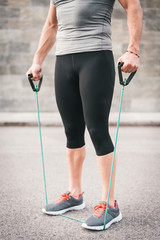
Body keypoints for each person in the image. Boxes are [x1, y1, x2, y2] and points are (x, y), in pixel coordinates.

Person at [26, 0, 143, 231]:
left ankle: (110, 205)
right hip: (63, 61)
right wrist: (37, 61)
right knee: (71, 130)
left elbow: (134, 6)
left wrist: (133, 50)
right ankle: (74, 194)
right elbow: (51, 24)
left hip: (95, 58)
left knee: (97, 130)